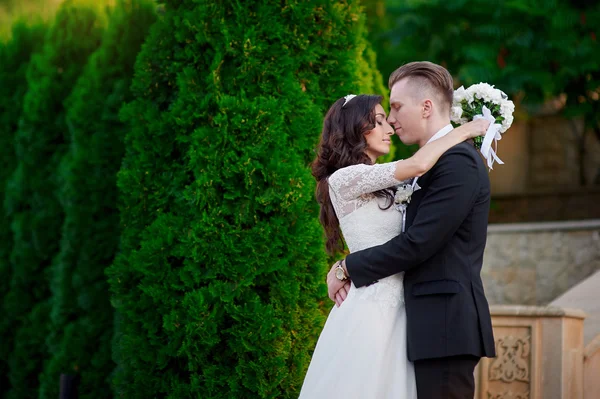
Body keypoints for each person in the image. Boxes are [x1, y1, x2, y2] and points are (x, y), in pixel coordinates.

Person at [324, 62, 497, 399]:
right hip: (404, 320)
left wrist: (348, 267)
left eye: (396, 107)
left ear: (427, 107)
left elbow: (418, 243)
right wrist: (344, 266)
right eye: (381, 116)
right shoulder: (414, 167)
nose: (390, 119)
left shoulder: (457, 161)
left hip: (442, 324)